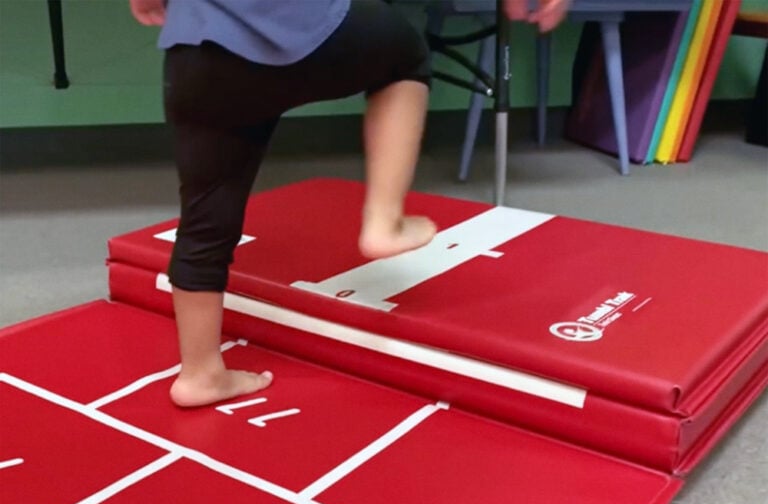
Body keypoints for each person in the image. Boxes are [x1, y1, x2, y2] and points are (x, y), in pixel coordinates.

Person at [129, 0, 569, 408]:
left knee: (207, 219)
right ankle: (384, 221)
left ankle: (200, 374)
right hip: (291, 27)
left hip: (194, 52)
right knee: (404, 56)